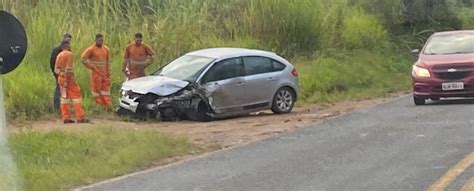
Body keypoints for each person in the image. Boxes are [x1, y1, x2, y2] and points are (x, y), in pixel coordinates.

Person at [55, 40, 89, 124]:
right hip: (68, 80)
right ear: (66, 46)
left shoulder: (59, 55)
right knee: (76, 96)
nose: (70, 46)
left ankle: (65, 117)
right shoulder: (69, 54)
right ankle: (80, 117)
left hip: (61, 79)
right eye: (69, 45)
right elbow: (68, 69)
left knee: (64, 98)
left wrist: (62, 75)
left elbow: (56, 70)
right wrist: (67, 79)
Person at [81, 34, 112, 108]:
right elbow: (83, 58)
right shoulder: (91, 49)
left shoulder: (106, 49)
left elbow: (108, 61)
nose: (100, 42)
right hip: (96, 74)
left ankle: (107, 106)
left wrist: (108, 72)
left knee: (105, 91)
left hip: (105, 74)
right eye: (99, 40)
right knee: (96, 91)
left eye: (102, 40)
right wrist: (91, 66)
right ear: (95, 40)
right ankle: (99, 105)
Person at [50, 33, 72, 112]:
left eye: (69, 40)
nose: (68, 41)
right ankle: (56, 107)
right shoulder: (56, 50)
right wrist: (55, 73)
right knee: (59, 89)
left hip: (66, 74)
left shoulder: (69, 50)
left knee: (63, 91)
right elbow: (52, 62)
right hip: (58, 73)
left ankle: (63, 108)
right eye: (66, 39)